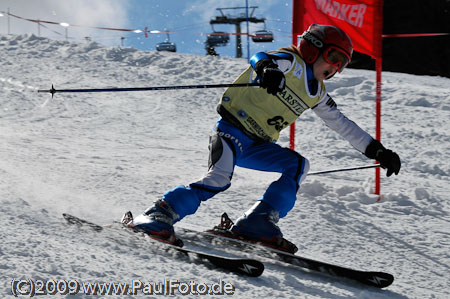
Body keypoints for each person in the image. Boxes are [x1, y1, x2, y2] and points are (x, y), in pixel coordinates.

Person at [123, 24, 401, 251]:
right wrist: (266, 70)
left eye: (342, 64)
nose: (336, 68)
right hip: (231, 131)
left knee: (298, 165)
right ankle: (159, 213)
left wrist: (377, 151)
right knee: (219, 179)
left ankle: (256, 222)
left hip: (258, 145)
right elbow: (260, 57)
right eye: (334, 58)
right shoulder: (289, 63)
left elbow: (342, 124)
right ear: (313, 48)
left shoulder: (317, 92)